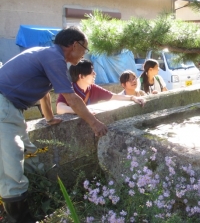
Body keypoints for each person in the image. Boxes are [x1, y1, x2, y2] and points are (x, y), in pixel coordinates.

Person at [0, 26, 108, 222]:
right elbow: (72, 99)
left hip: (10, 110)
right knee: (11, 171)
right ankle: (18, 219)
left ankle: (36, 204)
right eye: (85, 48)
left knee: (30, 157)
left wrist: (49, 119)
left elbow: (44, 93)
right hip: (4, 107)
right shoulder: (53, 57)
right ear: (74, 45)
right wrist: (95, 123)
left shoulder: (48, 56)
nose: (84, 53)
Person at [56, 60, 145, 114]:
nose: (95, 74)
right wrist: (82, 111)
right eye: (92, 72)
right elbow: (59, 108)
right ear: (81, 76)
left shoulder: (93, 88)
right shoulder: (68, 89)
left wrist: (132, 98)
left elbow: (114, 96)